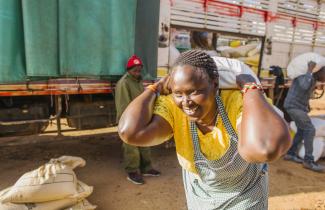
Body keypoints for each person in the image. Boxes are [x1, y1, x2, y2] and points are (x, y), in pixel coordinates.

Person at [118, 50, 290, 209]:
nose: (186, 102)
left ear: (215, 85)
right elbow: (130, 132)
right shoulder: (174, 107)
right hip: (200, 197)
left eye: (194, 92)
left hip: (245, 196)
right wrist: (154, 89)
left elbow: (264, 149)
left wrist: (251, 88)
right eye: (178, 93)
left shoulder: (234, 101)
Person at [114, 55, 161, 185]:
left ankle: (146, 168)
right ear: (129, 70)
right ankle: (132, 171)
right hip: (129, 120)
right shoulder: (124, 83)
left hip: (140, 119)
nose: (137, 72)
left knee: (145, 142)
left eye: (139, 70)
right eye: (134, 70)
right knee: (131, 146)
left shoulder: (138, 81)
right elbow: (123, 105)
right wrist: (129, 124)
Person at [283, 61, 325, 172]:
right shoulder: (304, 75)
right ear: (320, 71)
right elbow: (303, 86)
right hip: (293, 107)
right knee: (309, 129)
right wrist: (310, 69)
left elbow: (305, 93)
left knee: (302, 130)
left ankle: (290, 154)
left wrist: (307, 106)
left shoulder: (312, 78)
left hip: (299, 107)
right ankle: (308, 161)